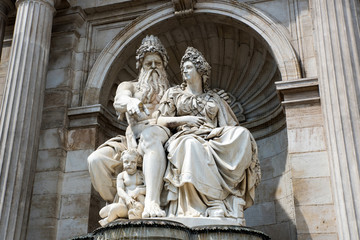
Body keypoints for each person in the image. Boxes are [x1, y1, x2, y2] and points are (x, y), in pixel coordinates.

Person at [157, 47, 261, 223]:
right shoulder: (174, 93)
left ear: (200, 70)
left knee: (242, 134)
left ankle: (227, 195)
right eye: (183, 68)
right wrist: (185, 119)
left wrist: (215, 132)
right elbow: (159, 121)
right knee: (191, 146)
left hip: (212, 135)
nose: (184, 70)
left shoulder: (214, 98)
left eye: (189, 67)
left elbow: (228, 124)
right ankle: (211, 203)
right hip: (184, 136)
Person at [88, 35, 170, 218]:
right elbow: (119, 100)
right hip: (130, 140)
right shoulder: (130, 86)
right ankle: (123, 204)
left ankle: (152, 202)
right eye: (149, 64)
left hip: (161, 135)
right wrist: (130, 101)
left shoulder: (171, 90)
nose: (154, 67)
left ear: (164, 65)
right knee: (96, 160)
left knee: (150, 137)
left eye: (158, 63)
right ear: (141, 66)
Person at [98, 149, 146, 226]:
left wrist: (139, 191)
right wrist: (127, 198)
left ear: (137, 163)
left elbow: (149, 189)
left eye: (133, 162)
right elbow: (120, 190)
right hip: (124, 205)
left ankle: (108, 220)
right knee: (103, 212)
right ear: (122, 162)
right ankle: (118, 214)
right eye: (126, 162)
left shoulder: (141, 174)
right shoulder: (121, 175)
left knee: (114, 209)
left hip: (138, 204)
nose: (129, 164)